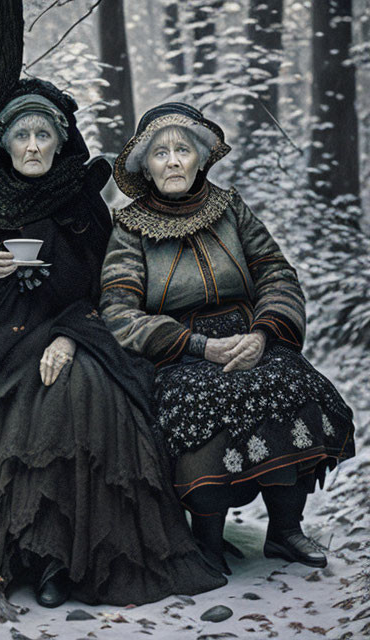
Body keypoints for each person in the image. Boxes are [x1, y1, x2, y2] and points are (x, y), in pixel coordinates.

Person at [0, 79, 226, 608]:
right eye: (22, 135)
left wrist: (68, 336)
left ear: (61, 141)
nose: (34, 146)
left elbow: (110, 288)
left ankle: (62, 562)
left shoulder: (84, 200)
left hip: (73, 326)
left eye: (45, 134)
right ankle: (26, 553)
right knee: (17, 400)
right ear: (5, 143)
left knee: (83, 387)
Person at [100, 102, 355, 574]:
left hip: (248, 339)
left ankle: (284, 530)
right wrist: (196, 346)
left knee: (290, 381)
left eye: (182, 150)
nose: (173, 161)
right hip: (178, 353)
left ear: (200, 156)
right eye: (160, 153)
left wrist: (262, 334)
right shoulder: (129, 228)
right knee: (203, 398)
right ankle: (207, 543)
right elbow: (118, 311)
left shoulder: (230, 206)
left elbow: (277, 274)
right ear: (145, 167)